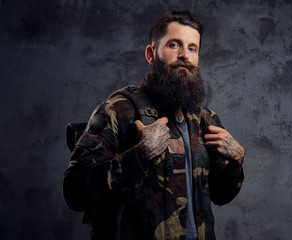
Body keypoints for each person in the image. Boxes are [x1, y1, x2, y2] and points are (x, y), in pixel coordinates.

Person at [63, 10, 245, 240]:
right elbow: (74, 191)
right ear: (151, 53)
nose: (184, 55)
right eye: (174, 45)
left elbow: (220, 195)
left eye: (192, 48)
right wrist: (138, 156)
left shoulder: (205, 120)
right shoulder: (118, 110)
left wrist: (236, 163)